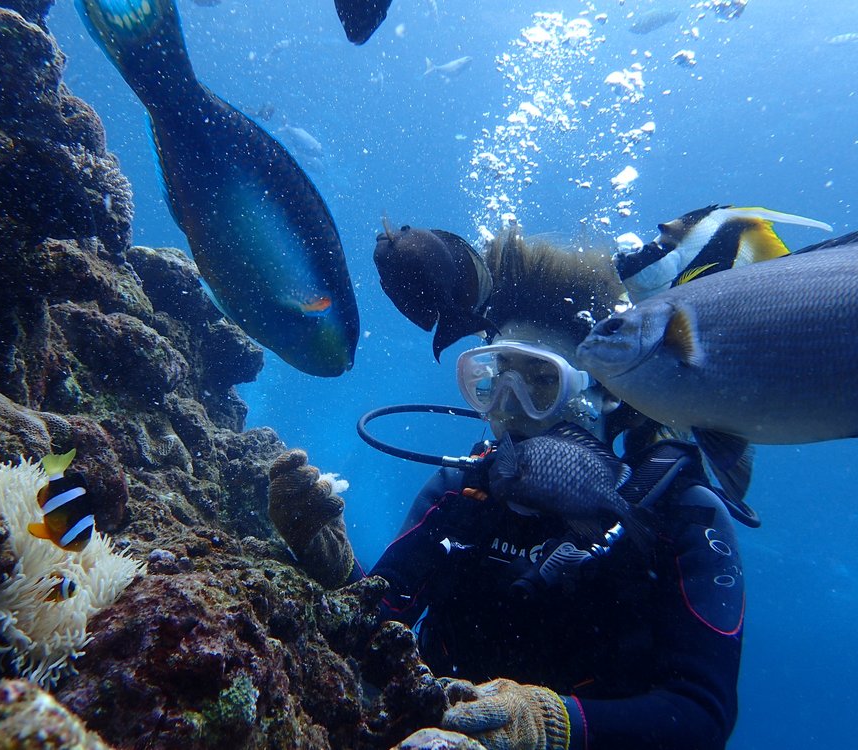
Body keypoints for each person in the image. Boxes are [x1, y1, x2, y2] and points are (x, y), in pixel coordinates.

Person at [268, 228, 745, 750]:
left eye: (541, 381)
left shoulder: (680, 514)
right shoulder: (462, 490)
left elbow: (702, 712)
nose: (509, 406)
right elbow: (376, 625)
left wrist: (549, 723)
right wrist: (330, 563)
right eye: (495, 377)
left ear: (606, 393)